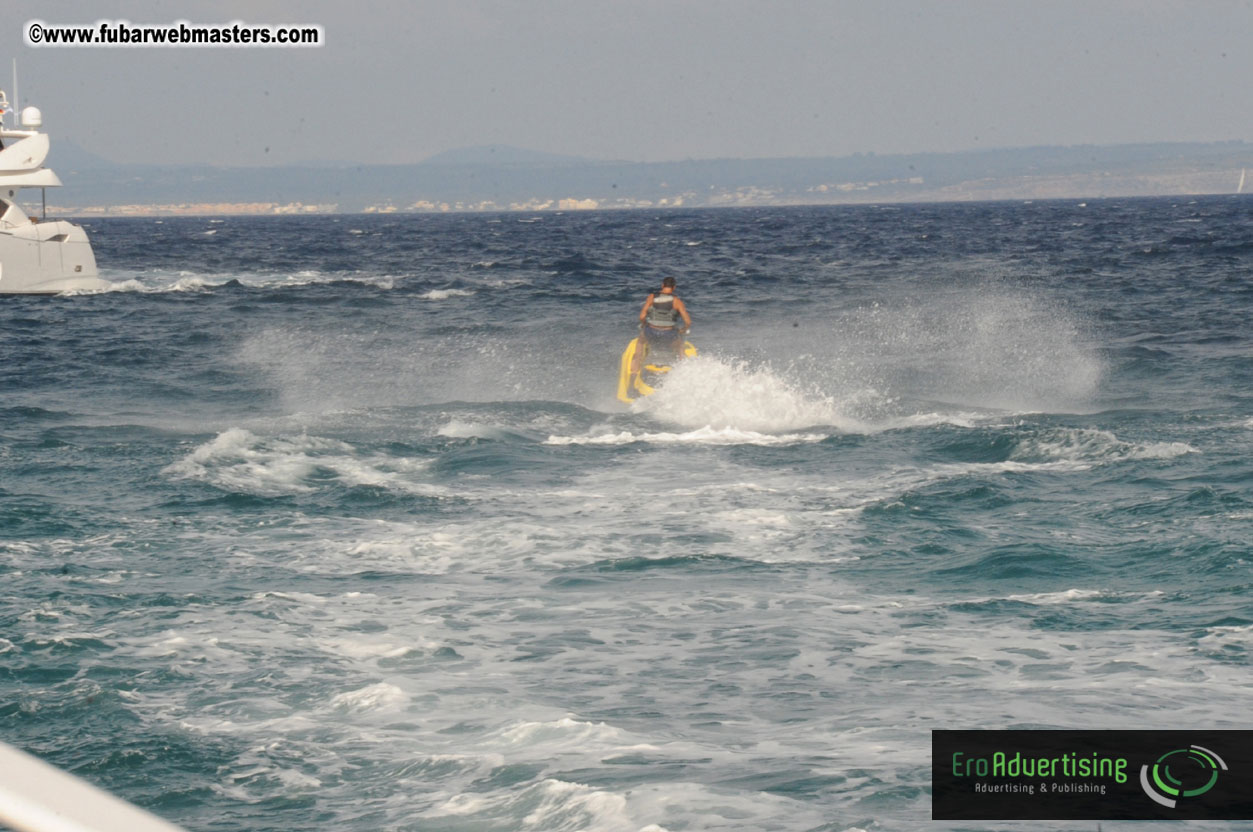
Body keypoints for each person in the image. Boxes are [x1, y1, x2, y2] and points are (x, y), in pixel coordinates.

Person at [633, 276, 691, 372]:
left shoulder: (651, 297)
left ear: (662, 285)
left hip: (651, 332)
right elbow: (688, 321)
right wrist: (683, 330)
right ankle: (683, 370)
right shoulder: (677, 301)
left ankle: (634, 371)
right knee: (680, 346)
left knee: (640, 342)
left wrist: (644, 325)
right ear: (674, 287)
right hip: (669, 334)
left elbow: (642, 317)